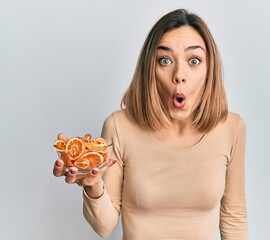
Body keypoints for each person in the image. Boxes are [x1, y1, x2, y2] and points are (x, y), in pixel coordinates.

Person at [53, 8, 248, 240]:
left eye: (194, 60)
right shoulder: (119, 126)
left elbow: (233, 217)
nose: (179, 74)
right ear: (149, 70)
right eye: (164, 60)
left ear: (209, 70)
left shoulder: (231, 128)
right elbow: (104, 226)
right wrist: (93, 185)